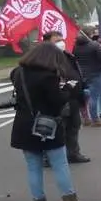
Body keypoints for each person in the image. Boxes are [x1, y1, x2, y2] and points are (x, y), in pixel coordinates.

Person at [10, 42, 92, 201]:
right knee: (59, 164)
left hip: (24, 125)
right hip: (46, 125)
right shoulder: (47, 76)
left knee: (33, 167)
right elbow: (57, 101)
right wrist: (68, 88)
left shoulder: (18, 73)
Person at [41, 31, 90, 164]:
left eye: (62, 40)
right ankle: (49, 157)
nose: (61, 43)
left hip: (73, 97)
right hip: (57, 100)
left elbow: (75, 71)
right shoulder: (44, 58)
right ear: (47, 42)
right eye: (57, 40)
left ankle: (73, 153)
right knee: (56, 129)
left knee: (74, 126)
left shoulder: (68, 55)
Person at [72, 30, 101, 126]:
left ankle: (86, 118)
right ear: (89, 35)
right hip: (97, 73)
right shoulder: (95, 45)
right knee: (94, 97)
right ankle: (95, 119)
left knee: (84, 96)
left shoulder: (75, 47)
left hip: (83, 74)